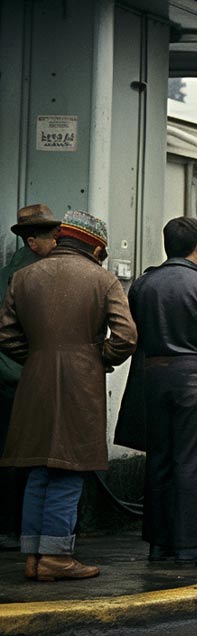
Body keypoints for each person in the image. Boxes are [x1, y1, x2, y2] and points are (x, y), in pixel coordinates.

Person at [0, 211, 135, 580]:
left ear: (62, 238)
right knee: (68, 470)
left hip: (35, 382)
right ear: (95, 246)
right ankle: (57, 558)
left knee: (38, 470)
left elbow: (6, 335)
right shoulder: (103, 279)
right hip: (80, 383)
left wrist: (40, 357)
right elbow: (126, 337)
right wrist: (95, 358)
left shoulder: (23, 277)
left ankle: (33, 558)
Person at [129, 217, 197, 564]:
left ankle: (159, 544)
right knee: (190, 461)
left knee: (159, 458)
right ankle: (191, 544)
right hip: (195, 378)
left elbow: (136, 333)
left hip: (152, 376)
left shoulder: (143, 285)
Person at [0, 205, 61, 552]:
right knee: (24, 459)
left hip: (15, 374)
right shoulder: (30, 274)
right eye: (52, 236)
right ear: (33, 241)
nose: (57, 242)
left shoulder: (16, 270)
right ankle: (15, 529)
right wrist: (37, 362)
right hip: (18, 377)